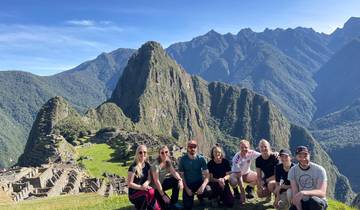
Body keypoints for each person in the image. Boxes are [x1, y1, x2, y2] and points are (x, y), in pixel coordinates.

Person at [288, 146, 328, 210]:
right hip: (303, 201)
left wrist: (303, 192)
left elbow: (322, 193)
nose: (303, 159)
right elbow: (295, 192)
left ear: (309, 155)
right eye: (300, 156)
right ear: (296, 157)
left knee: (314, 201)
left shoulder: (319, 170)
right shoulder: (293, 170)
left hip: (318, 201)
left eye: (305, 156)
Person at [178, 140, 211, 209]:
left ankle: (201, 197)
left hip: (199, 183)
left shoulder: (201, 159)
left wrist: (202, 187)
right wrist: (186, 189)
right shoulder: (183, 160)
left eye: (194, 146)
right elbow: (181, 175)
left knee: (209, 190)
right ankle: (192, 197)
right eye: (190, 147)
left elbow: (207, 175)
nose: (192, 148)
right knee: (187, 206)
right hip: (188, 184)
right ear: (187, 148)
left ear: (197, 148)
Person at [128, 145, 160, 210]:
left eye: (144, 152)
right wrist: (141, 187)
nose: (143, 154)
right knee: (146, 196)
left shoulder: (147, 165)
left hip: (143, 190)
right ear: (137, 154)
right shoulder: (133, 167)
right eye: (140, 152)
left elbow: (149, 179)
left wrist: (146, 183)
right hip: (134, 194)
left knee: (152, 191)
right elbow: (129, 184)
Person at [151, 145, 183, 210]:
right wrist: (163, 196)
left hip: (162, 184)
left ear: (168, 152)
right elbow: (156, 181)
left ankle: (174, 202)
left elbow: (174, 172)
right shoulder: (156, 165)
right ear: (159, 154)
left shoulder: (168, 162)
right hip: (155, 188)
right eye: (162, 153)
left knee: (175, 180)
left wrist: (180, 180)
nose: (164, 154)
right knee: (167, 206)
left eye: (166, 152)